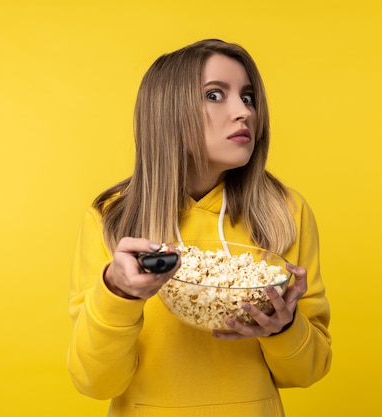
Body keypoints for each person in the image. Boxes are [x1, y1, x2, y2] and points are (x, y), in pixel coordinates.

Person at [68, 39, 332, 417]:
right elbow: (95, 381)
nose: (243, 112)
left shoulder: (282, 212)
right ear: (168, 113)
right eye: (214, 95)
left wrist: (283, 327)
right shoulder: (113, 219)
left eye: (248, 97)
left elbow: (310, 369)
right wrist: (118, 293)